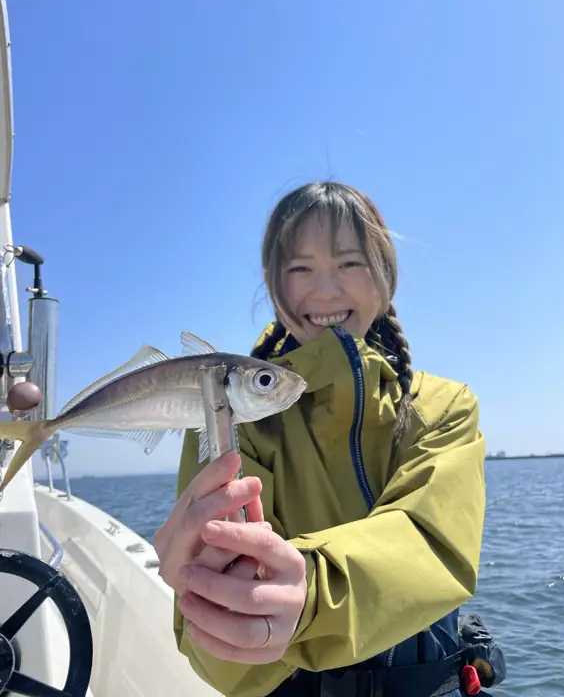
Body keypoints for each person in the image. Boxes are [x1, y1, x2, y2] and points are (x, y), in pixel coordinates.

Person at [154, 181, 505, 697]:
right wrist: (213, 602)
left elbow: (432, 543)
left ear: (386, 278)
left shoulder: (445, 406)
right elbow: (223, 666)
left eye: (350, 263)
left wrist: (310, 594)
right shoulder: (229, 416)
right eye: (299, 269)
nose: (324, 291)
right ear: (275, 287)